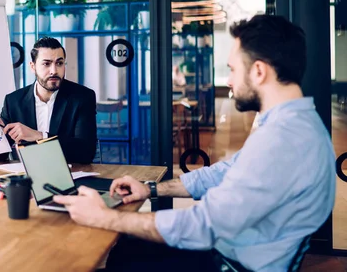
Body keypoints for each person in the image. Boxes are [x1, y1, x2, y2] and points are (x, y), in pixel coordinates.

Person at [53, 15, 336, 271]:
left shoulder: (283, 140)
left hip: (229, 263)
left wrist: (105, 218)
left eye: (233, 69)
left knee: (122, 256)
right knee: (127, 250)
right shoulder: (291, 125)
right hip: (230, 251)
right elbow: (224, 172)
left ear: (259, 71)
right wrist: (151, 189)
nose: (229, 80)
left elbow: (202, 226)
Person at [0, 37, 97, 164]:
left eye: (59, 63)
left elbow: (86, 152)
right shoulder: (13, 101)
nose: (54, 71)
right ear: (32, 67)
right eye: (46, 64)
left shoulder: (82, 97)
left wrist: (40, 136)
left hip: (69, 175)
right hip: (25, 178)